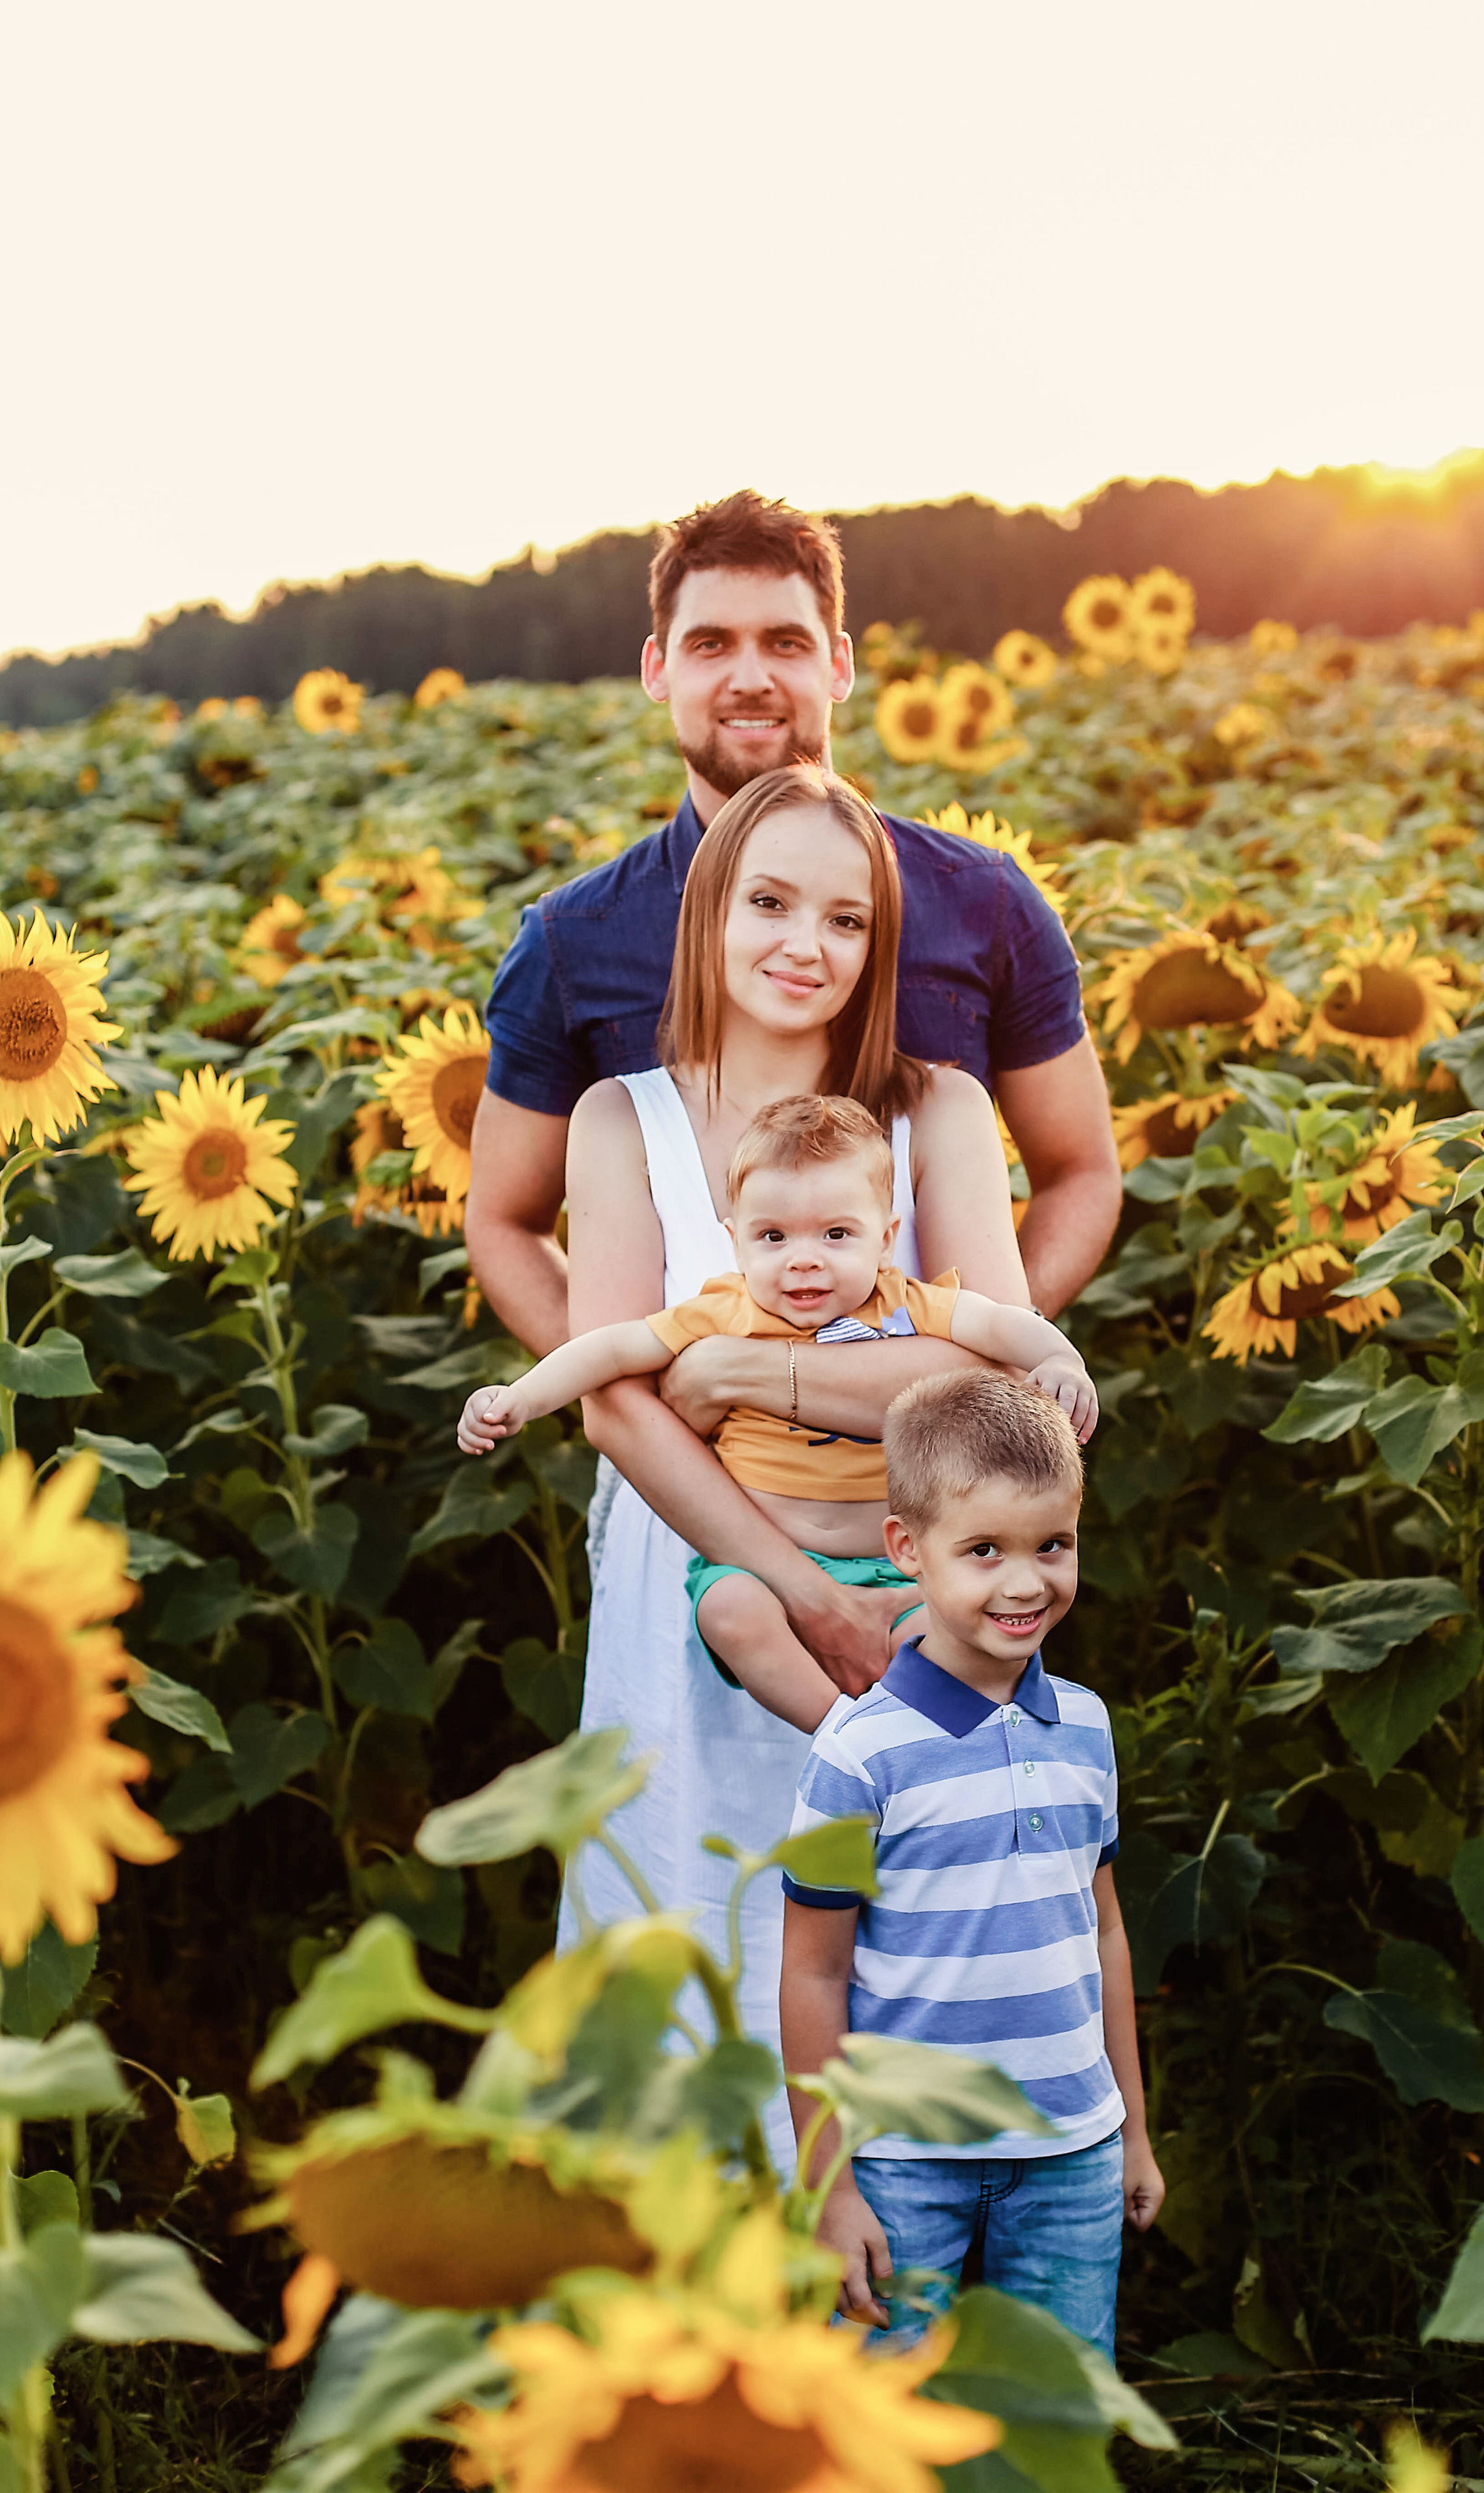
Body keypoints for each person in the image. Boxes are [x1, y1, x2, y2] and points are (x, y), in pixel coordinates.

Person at [549, 762, 1038, 2158]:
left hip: (905, 1580)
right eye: (767, 901)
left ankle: (887, 2310)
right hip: (698, 1572)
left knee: (893, 1931)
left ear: (878, 945)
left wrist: (754, 1372)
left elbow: (990, 1372)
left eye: (843, 918)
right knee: (694, 1913)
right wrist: (793, 1589)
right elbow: (619, 1409)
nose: (800, 944)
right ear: (709, 910)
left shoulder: (932, 1110)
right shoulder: (617, 1120)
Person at [467, 493, 1119, 1469]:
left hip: (941, 1467)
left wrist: (969, 1337)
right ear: (658, 669)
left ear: (839, 664)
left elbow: (1080, 1169)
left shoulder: (981, 900)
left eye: (784, 641)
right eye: (710, 645)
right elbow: (504, 1219)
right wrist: (642, 1390)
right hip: (684, 1483)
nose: (749, 677)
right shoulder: (577, 938)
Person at [456, 1093, 1098, 1731]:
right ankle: (841, 1739)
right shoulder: (726, 1312)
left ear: (885, 1239)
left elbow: (1000, 1326)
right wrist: (521, 1398)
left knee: (953, 1640)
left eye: (836, 1234)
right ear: (736, 1242)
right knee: (729, 1611)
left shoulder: (903, 1305)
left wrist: (1061, 1362)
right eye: (773, 1236)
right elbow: (611, 1348)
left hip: (894, 1565)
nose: (803, 1258)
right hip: (761, 1560)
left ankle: (938, 1753)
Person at [779, 1370, 1164, 2361]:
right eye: (984, 1550)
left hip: (1072, 2152)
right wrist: (830, 2187)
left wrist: (1131, 2126)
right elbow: (813, 1973)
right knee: (885, 2424)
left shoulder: (1086, 1727)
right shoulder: (859, 1754)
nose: (1026, 1582)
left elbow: (1104, 1930)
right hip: (907, 2164)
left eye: (1054, 1546)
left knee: (1054, 2421)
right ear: (907, 1548)